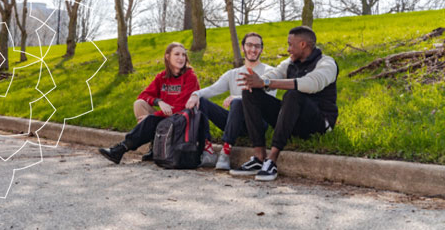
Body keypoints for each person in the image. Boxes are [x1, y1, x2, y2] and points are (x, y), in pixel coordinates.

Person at [236, 26, 338, 181]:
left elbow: (310, 84)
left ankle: (272, 160)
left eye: (291, 44)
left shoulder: (327, 63)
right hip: (293, 120)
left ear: (303, 45)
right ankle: (259, 157)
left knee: (293, 94)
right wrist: (258, 81)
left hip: (317, 124)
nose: (288, 49)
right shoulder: (290, 62)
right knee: (250, 93)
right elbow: (275, 73)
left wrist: (265, 82)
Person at [99, 42, 206, 164]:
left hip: (182, 120)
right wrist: (158, 101)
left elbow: (180, 107)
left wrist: (153, 116)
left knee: (150, 121)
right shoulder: (162, 77)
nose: (181, 58)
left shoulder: (190, 76)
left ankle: (120, 149)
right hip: (166, 116)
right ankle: (155, 148)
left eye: (183, 55)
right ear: (167, 56)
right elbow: (143, 95)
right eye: (177, 54)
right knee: (139, 104)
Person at [185, 32, 276, 169]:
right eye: (249, 45)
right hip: (235, 122)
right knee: (202, 101)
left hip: (257, 123)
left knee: (237, 102)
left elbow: (268, 98)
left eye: (257, 46)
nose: (253, 49)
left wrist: (238, 97)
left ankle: (225, 152)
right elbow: (213, 89)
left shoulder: (269, 71)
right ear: (243, 47)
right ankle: (207, 148)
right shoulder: (233, 73)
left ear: (261, 49)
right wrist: (195, 94)